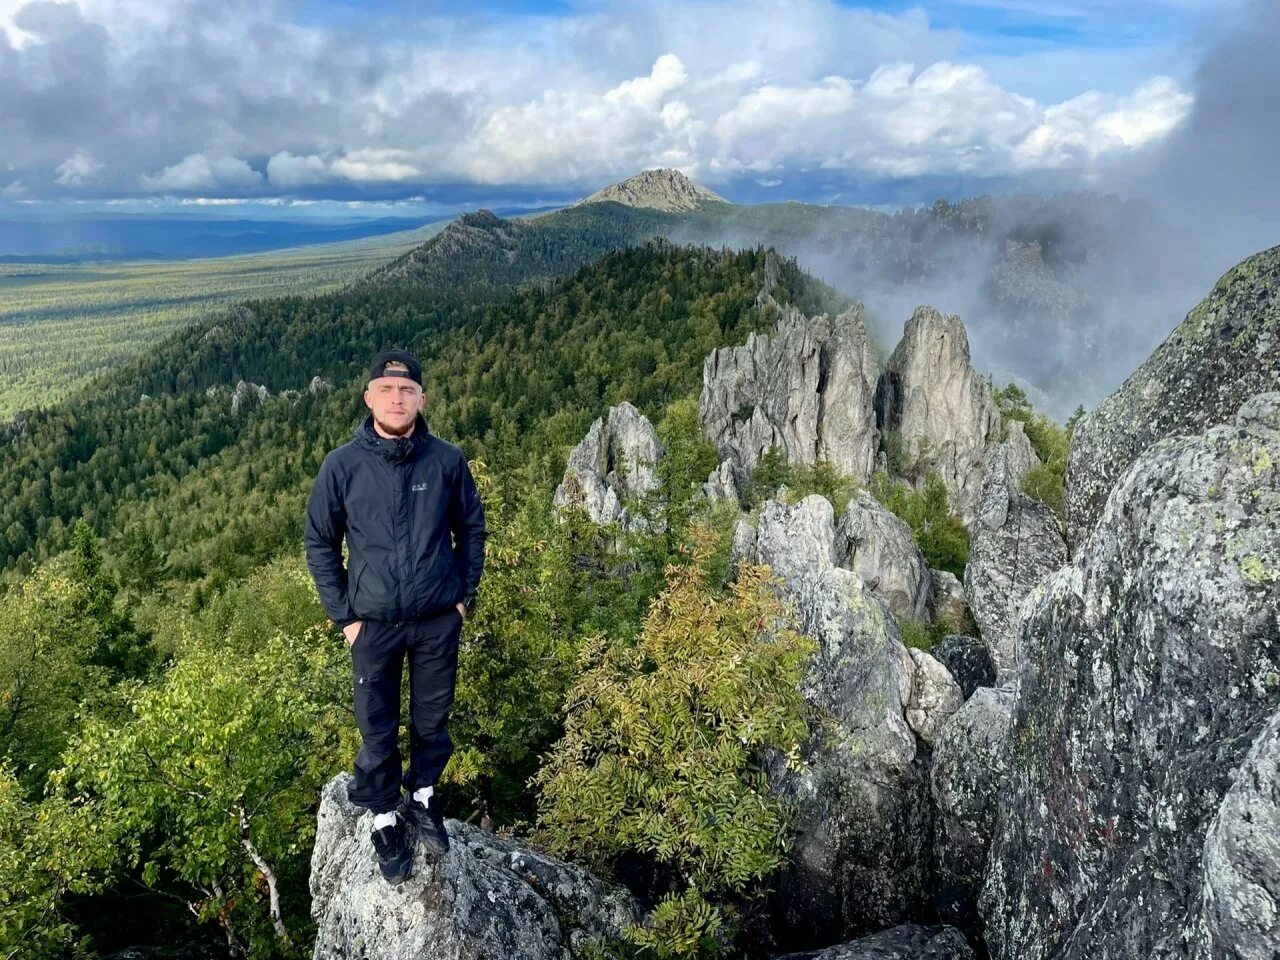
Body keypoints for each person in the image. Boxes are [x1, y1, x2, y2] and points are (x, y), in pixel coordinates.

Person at [304, 348, 487, 884]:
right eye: (386, 390)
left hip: (436, 619)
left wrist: (461, 598)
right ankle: (384, 816)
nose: (397, 399)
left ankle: (424, 796)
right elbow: (320, 541)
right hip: (373, 624)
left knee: (433, 717)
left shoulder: (447, 460)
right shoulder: (342, 465)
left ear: (421, 399)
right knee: (376, 725)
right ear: (369, 397)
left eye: (407, 391)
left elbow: (471, 531)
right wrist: (346, 617)